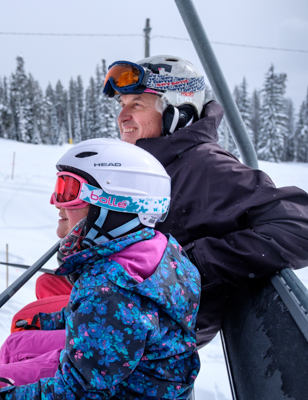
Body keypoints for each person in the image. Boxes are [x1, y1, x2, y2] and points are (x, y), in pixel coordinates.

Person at [0, 139, 201, 400]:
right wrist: (48, 322)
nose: (55, 201)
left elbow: (80, 392)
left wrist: (2, 397)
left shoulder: (112, 288)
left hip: (128, 390)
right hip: (131, 368)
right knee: (15, 345)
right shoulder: (157, 249)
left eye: (67, 190)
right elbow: (101, 320)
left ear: (114, 205)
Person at [100, 55, 308, 347]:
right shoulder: (155, 166)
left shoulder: (206, 166)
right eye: (122, 105)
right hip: (128, 314)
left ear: (178, 111)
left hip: (155, 338)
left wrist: (191, 263)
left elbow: (299, 225)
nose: (122, 117)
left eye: (136, 104)